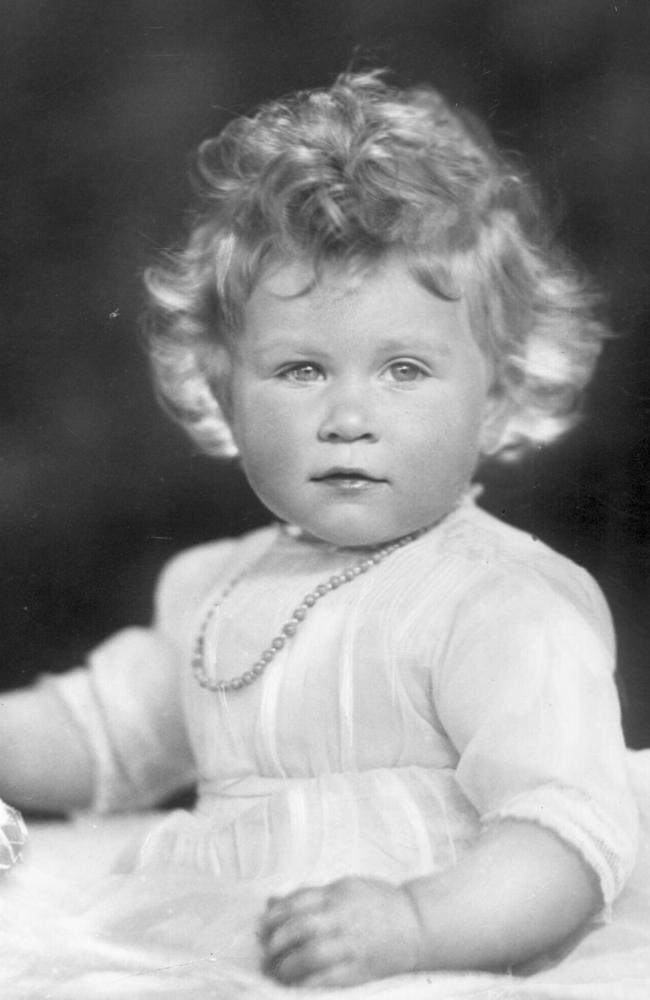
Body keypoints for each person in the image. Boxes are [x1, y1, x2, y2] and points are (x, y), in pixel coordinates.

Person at [1, 70, 649, 997]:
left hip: (430, 950)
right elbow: (100, 731)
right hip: (214, 942)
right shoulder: (214, 589)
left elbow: (566, 835)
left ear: (496, 394)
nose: (350, 415)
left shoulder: (501, 601)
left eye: (404, 370)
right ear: (224, 388)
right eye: (302, 369)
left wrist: (417, 925)